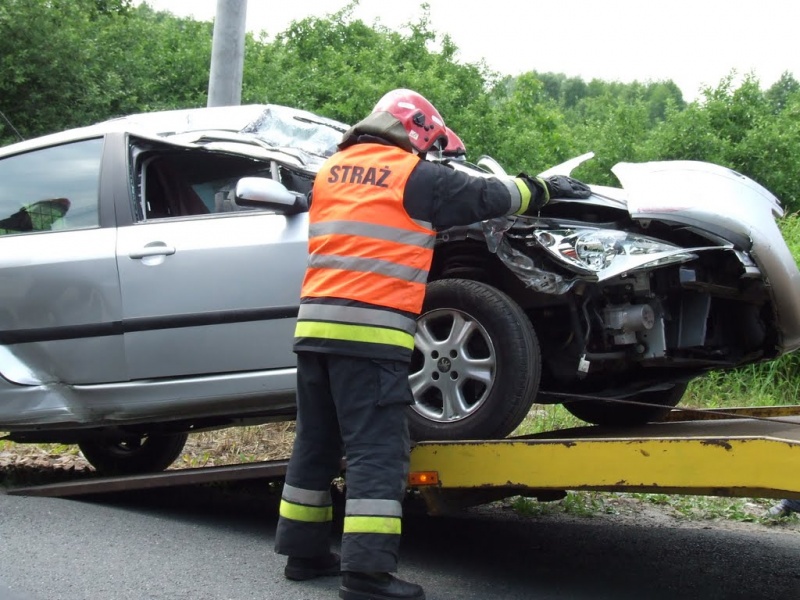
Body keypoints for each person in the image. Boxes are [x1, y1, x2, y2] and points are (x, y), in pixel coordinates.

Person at [274, 88, 591, 600]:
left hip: (315, 331)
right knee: (379, 450)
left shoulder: (332, 170)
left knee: (316, 441)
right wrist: (544, 188)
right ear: (417, 131)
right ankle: (367, 574)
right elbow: (491, 196)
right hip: (371, 333)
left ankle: (303, 553)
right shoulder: (412, 176)